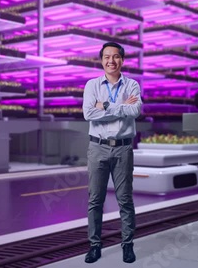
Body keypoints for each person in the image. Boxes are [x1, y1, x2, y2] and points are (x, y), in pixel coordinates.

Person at [82, 41, 142, 264]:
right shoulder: (92, 85)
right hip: (97, 147)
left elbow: (135, 110)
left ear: (122, 60)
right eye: (106, 57)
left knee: (125, 200)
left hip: (123, 148)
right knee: (95, 200)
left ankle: (127, 245)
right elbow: (88, 114)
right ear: (101, 60)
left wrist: (105, 106)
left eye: (115, 56)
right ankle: (95, 246)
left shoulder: (132, 85)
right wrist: (120, 108)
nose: (111, 61)